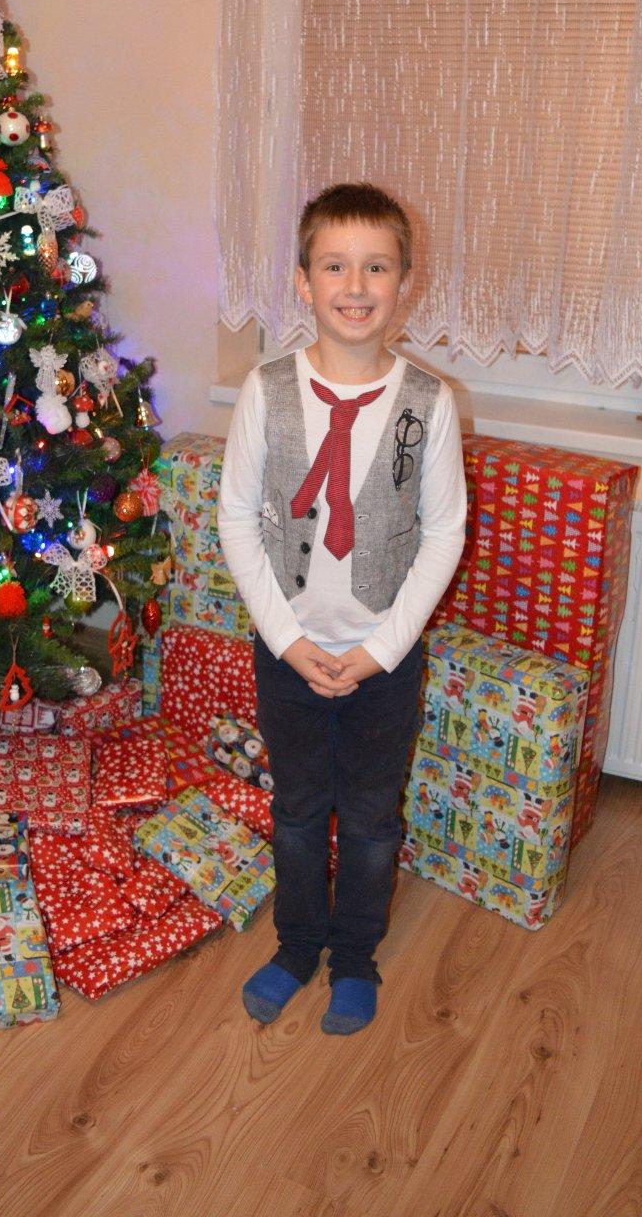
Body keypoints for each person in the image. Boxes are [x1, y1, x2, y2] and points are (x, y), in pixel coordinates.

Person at [218, 181, 466, 1036]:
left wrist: (381, 650)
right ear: (302, 280)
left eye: (375, 267)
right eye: (334, 266)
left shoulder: (429, 403)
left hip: (380, 661)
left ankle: (354, 956)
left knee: (368, 818)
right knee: (296, 810)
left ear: (404, 282)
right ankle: (296, 945)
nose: (354, 286)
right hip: (288, 650)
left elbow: (443, 533)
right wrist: (285, 640)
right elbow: (237, 519)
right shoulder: (265, 390)